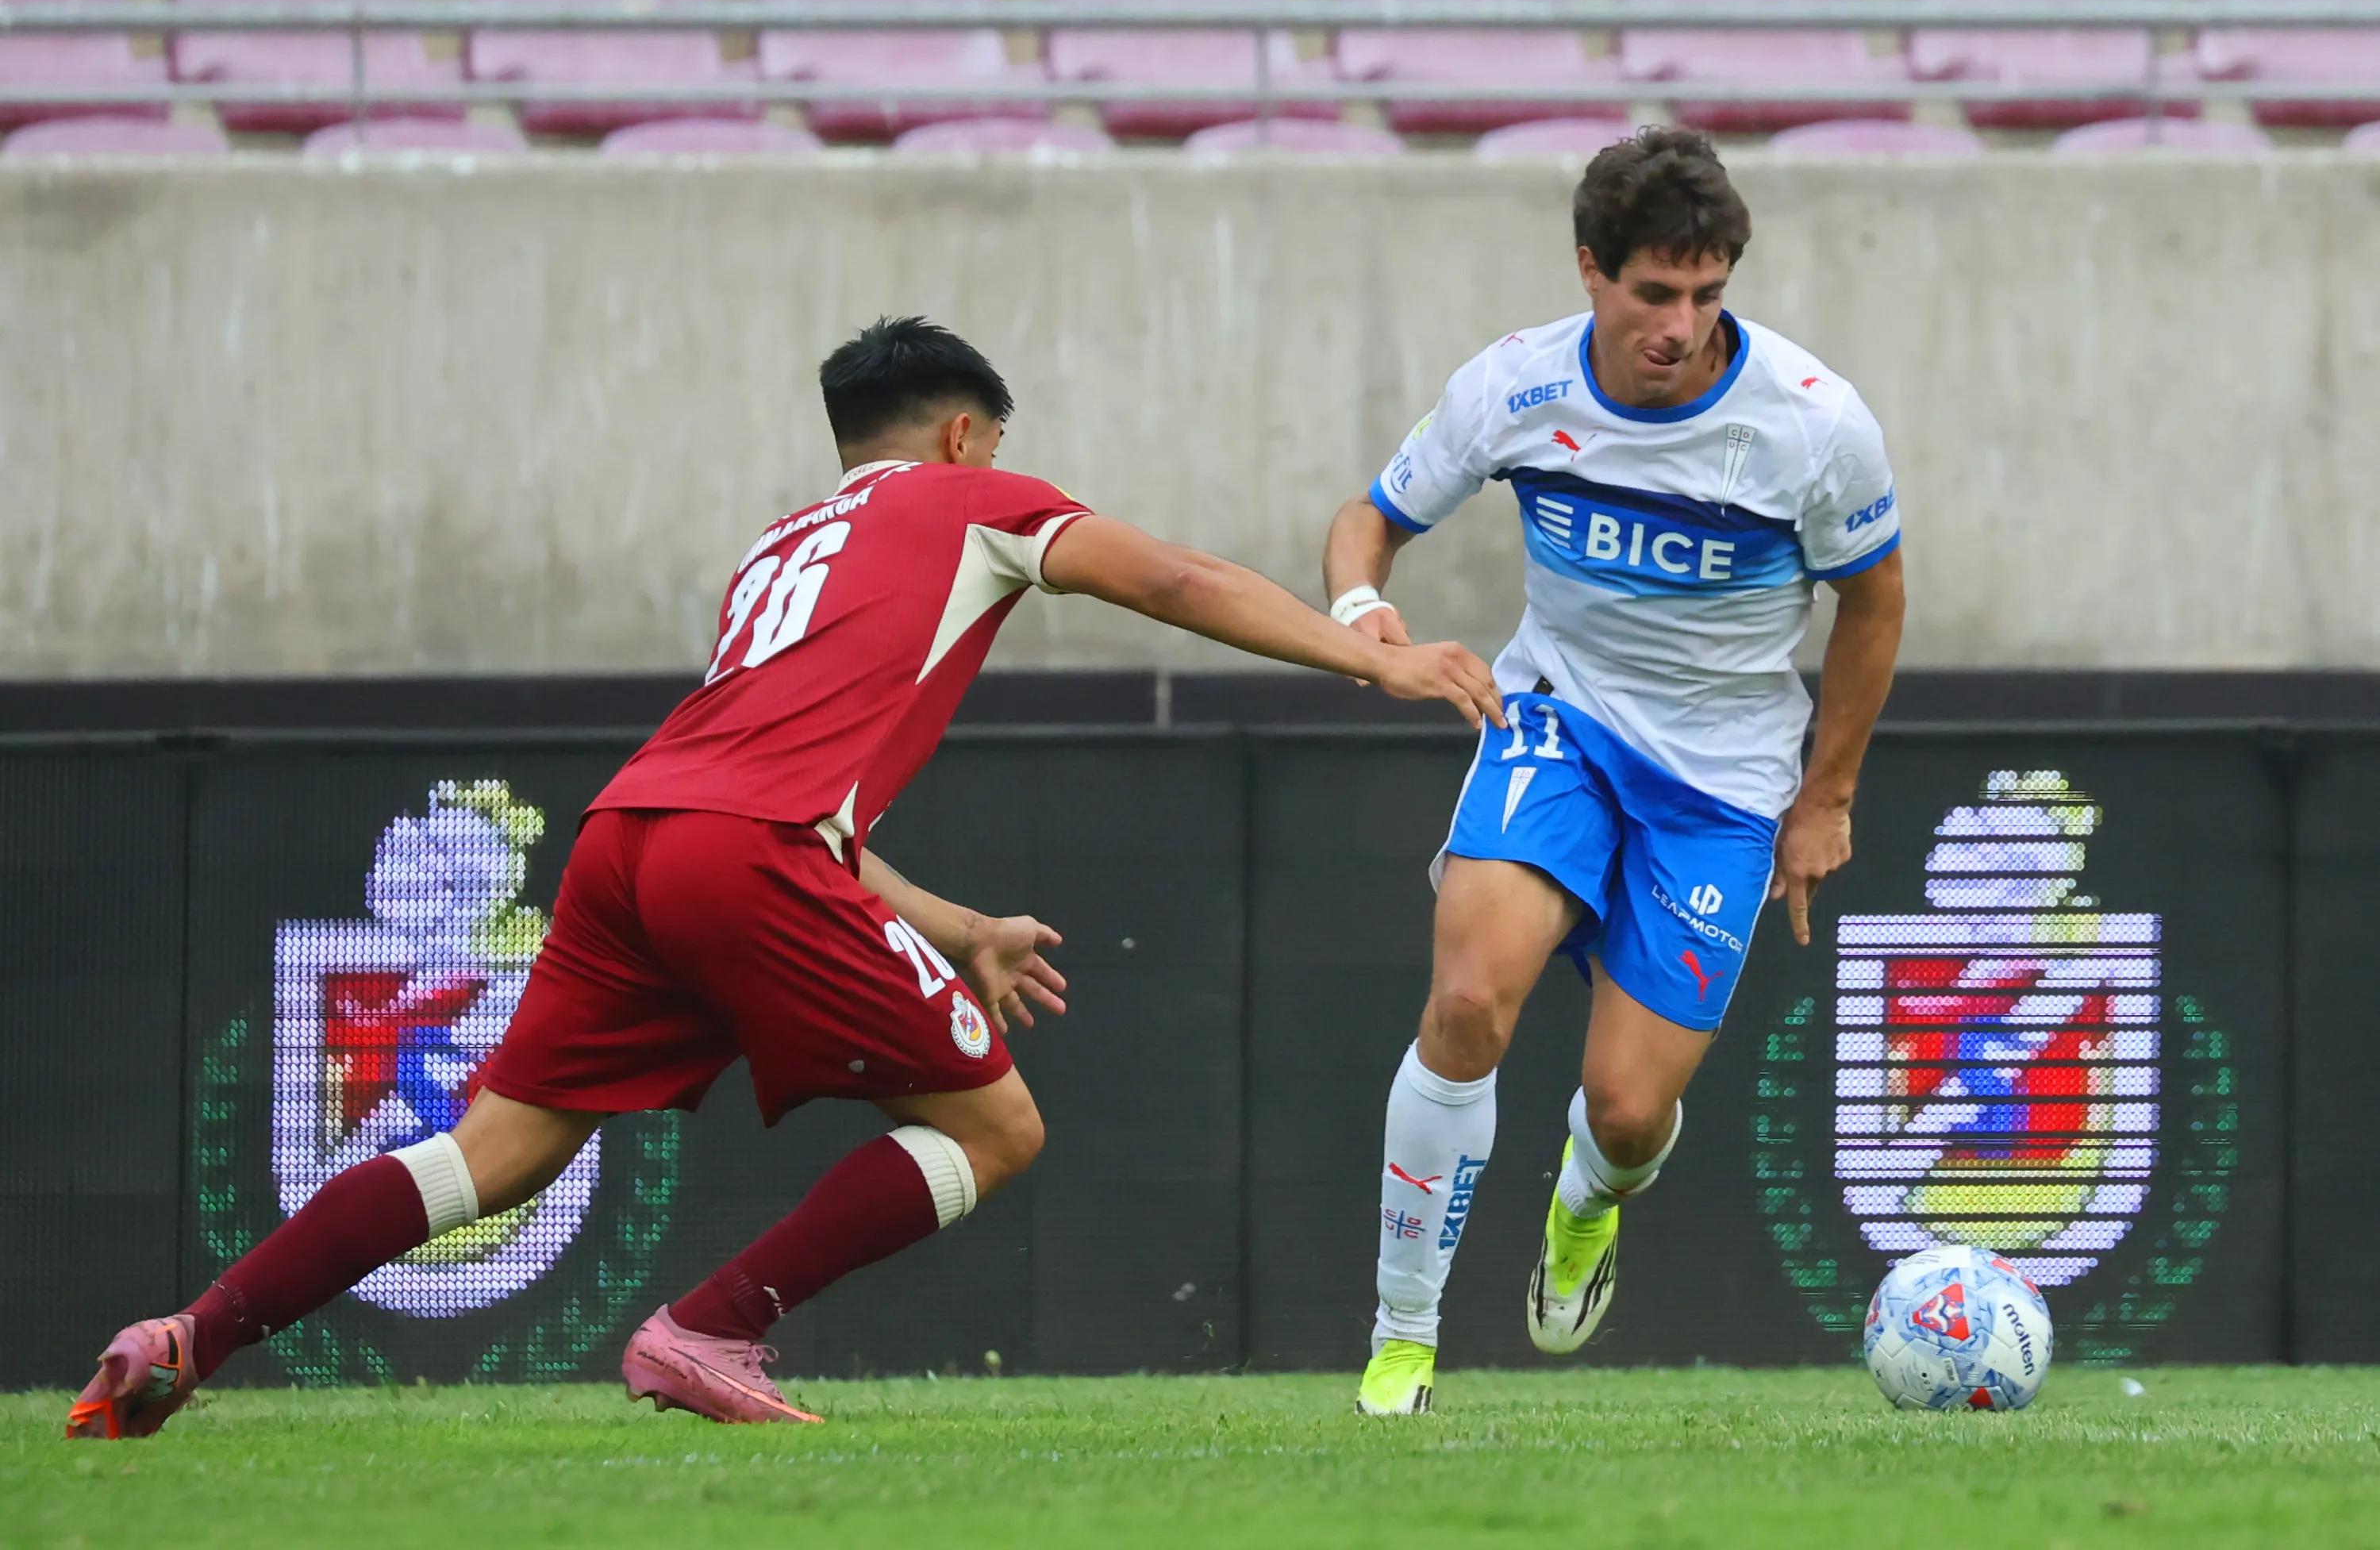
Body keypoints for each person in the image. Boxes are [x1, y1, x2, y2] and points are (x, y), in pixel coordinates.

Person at [69, 316, 1502, 1439]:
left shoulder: (780, 548)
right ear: (962, 437)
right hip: (737, 852)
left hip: (631, 839)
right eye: (996, 443)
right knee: (994, 1127)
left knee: (489, 1157)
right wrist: (1372, 655)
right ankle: (710, 1322)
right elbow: (1177, 581)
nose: (1005, 463)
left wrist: (954, 927)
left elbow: (766, 788)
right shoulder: (975, 502)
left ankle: (193, 1332)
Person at [1325, 129, 1905, 1415]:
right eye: (1653, 293)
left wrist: (1827, 798)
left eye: (1705, 296)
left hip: (1722, 785)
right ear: (1590, 270)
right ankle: (1401, 1341)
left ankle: (1588, 1199)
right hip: (1556, 723)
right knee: (1470, 1001)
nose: (1679, 326)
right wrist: (1364, 606)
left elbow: (1873, 603)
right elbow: (1370, 518)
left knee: (1629, 1110)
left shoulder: (1810, 426)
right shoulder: (1515, 386)